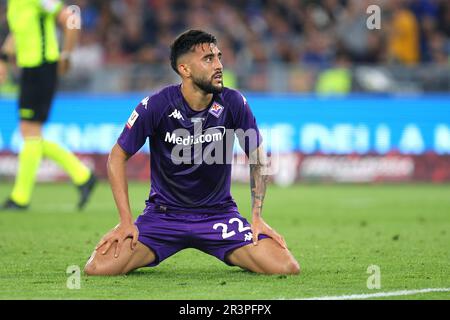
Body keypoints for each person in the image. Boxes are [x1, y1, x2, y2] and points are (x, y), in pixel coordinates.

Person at [84, 30, 300, 276]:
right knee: (97, 268)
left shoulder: (233, 102)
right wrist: (125, 221)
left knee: (285, 267)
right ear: (185, 69)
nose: (219, 65)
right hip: (163, 218)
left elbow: (259, 156)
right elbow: (117, 156)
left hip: (217, 216)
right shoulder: (156, 106)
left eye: (218, 57)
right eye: (208, 59)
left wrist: (257, 216)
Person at [0, 0, 96, 210]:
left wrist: (67, 55)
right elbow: (18, 32)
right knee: (31, 134)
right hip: (29, 69)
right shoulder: (14, 4)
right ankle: (83, 175)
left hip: (42, 67)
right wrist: (4, 60)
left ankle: (20, 198)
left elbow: (71, 19)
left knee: (29, 131)